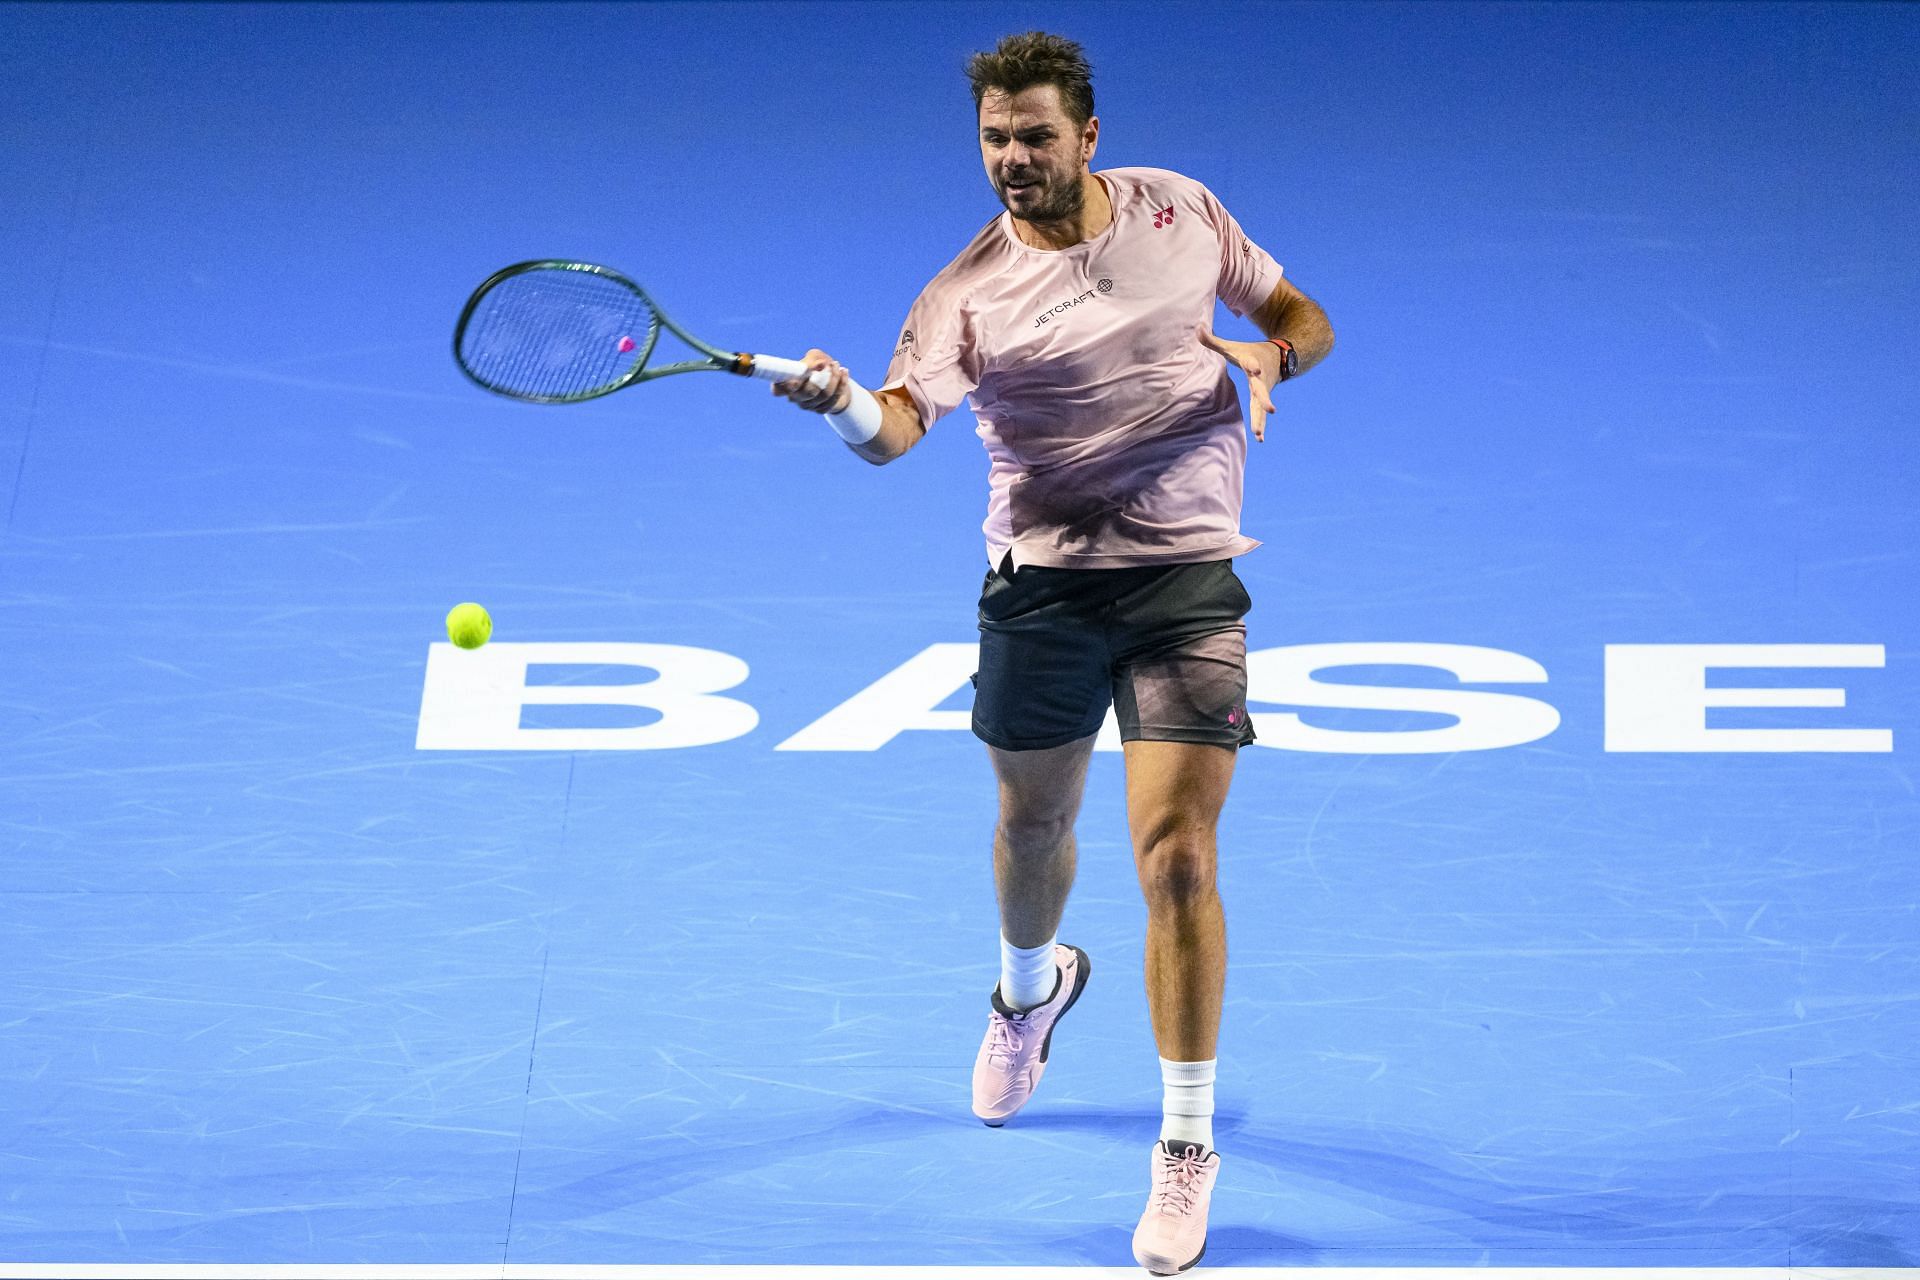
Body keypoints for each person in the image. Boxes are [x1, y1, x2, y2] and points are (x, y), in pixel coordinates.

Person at [774, 30, 1333, 1276]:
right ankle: (1030, 990)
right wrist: (842, 403)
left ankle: (1185, 1145)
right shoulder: (964, 293)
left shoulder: (1180, 209)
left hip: (1186, 579)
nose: (1012, 158)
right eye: (992, 139)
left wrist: (1272, 353)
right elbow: (900, 429)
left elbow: (1300, 312)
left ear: (1088, 134)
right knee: (1035, 836)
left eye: (1034, 134)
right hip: (1042, 590)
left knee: (1177, 855)